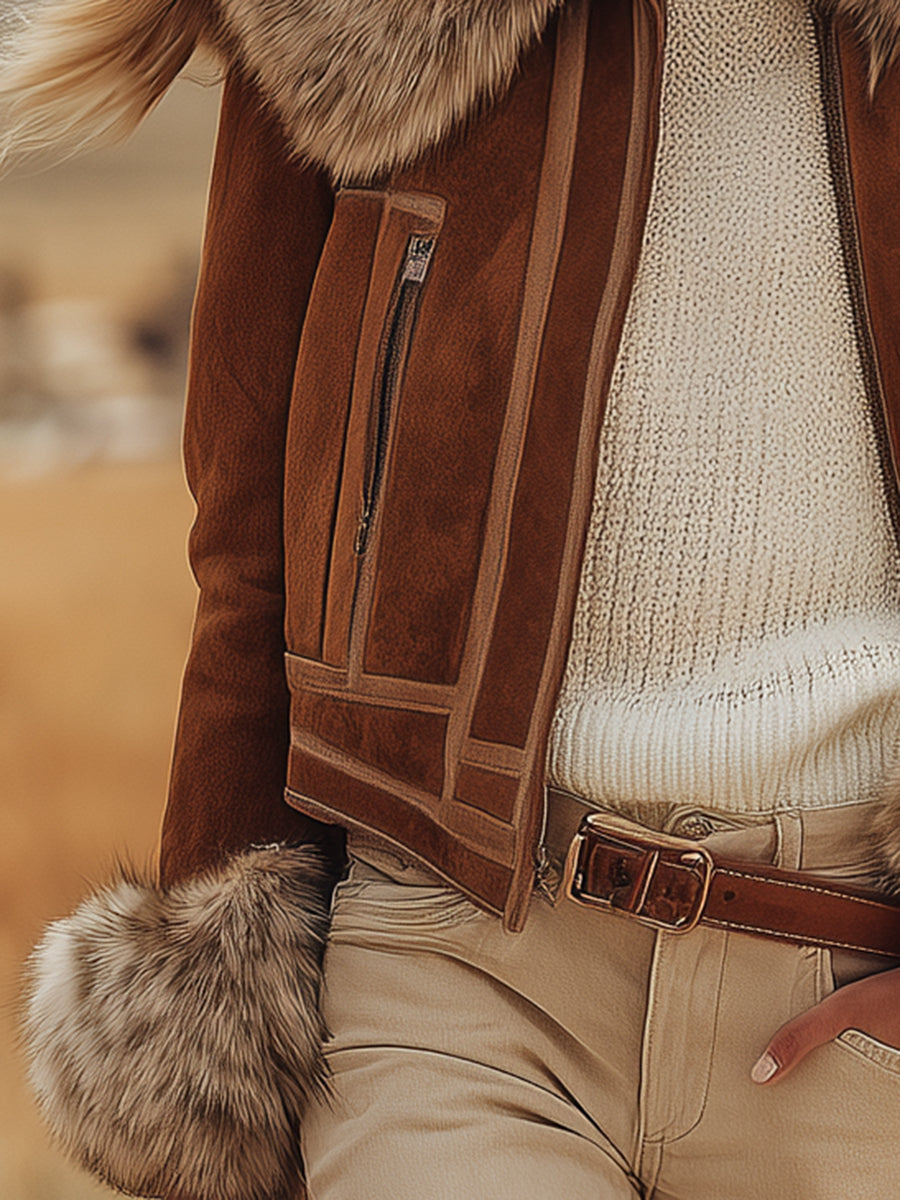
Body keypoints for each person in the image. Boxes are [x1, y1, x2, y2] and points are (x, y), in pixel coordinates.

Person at [7, 0, 900, 1196]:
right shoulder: (359, 24)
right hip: (463, 970)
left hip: (849, 976)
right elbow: (250, 548)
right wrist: (216, 999)